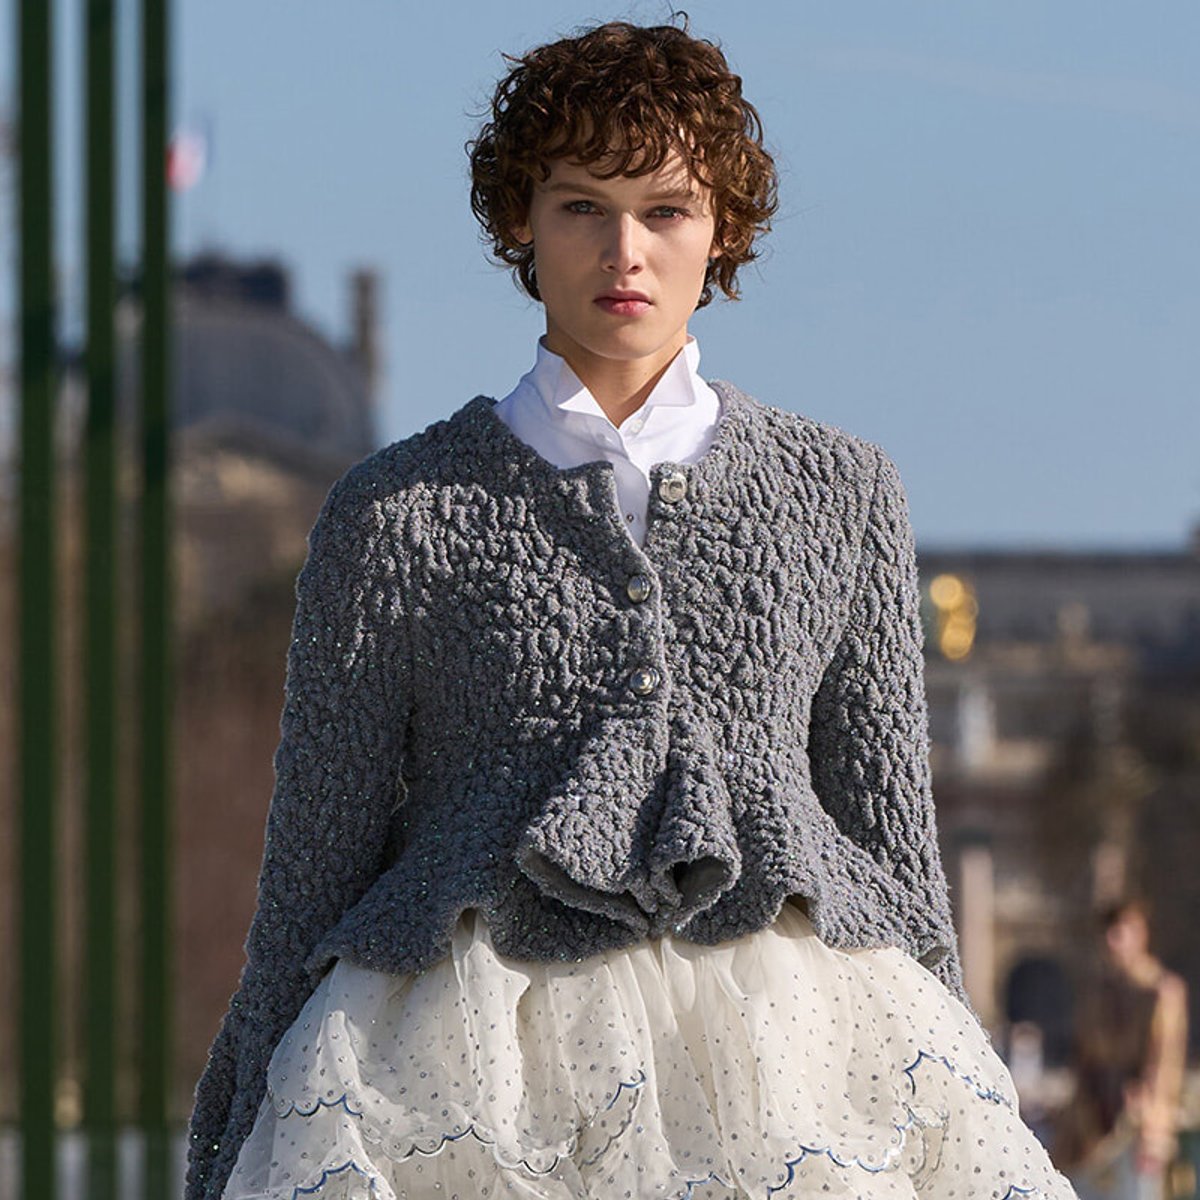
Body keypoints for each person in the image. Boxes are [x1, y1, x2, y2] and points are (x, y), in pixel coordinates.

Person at [185, 18, 1081, 1199]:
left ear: (724, 228)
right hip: (468, 1072)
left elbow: (892, 848)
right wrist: (237, 1128)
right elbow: (313, 868)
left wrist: (952, 1090)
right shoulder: (394, 514)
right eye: (582, 208)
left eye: (666, 210)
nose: (626, 253)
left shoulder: (846, 495)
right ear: (520, 219)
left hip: (798, 1058)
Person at [1055, 897, 1189, 1200]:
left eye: (1121, 932)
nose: (1112, 941)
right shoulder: (1096, 990)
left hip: (1138, 1123)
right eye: (1108, 932)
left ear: (1141, 934)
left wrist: (1152, 1125)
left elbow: (1164, 1063)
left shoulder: (1161, 990)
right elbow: (1083, 1056)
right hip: (1092, 1121)